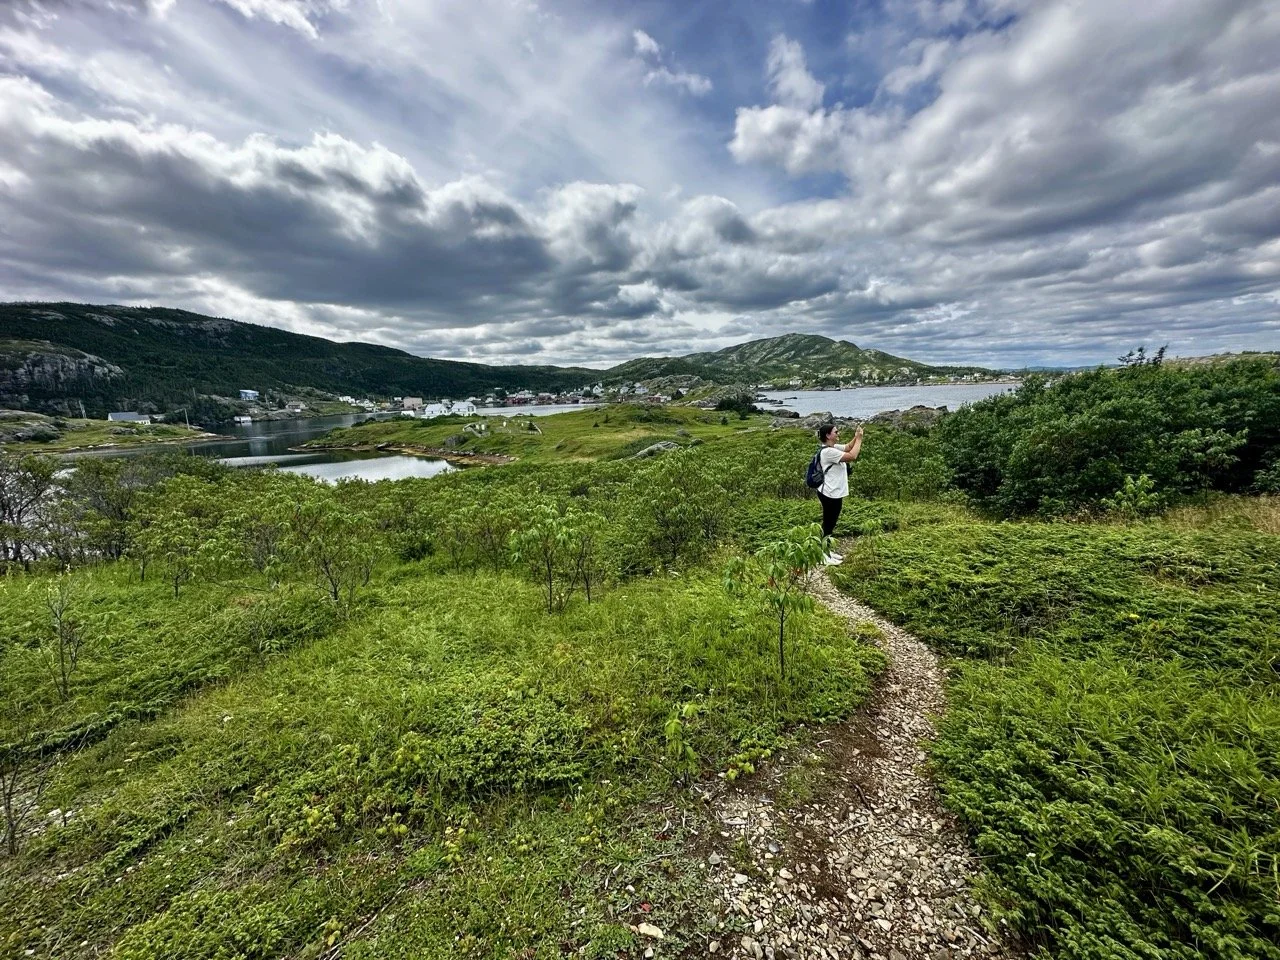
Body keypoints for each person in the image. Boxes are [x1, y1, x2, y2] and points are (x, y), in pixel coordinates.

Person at [816, 420, 863, 565]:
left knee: (830, 523)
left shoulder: (833, 447)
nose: (838, 434)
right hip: (829, 493)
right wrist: (860, 440)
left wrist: (857, 436)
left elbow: (849, 447)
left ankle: (826, 550)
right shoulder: (829, 452)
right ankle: (822, 555)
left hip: (834, 492)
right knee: (828, 524)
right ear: (828, 435)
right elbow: (852, 455)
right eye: (836, 432)